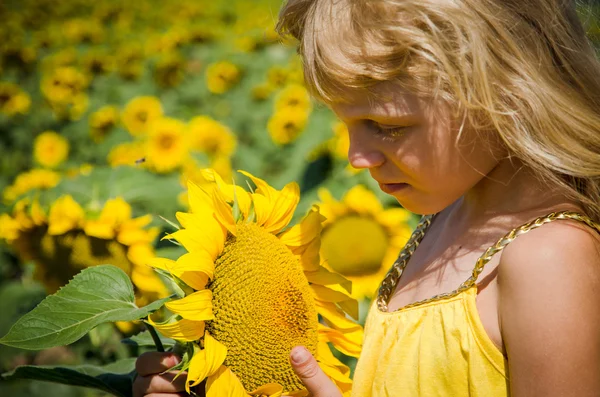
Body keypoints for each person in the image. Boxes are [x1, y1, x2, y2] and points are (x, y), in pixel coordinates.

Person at [133, 0, 600, 396]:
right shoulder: (448, 221)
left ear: (504, 91)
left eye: (388, 126)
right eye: (347, 123)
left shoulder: (548, 260)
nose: (356, 156)